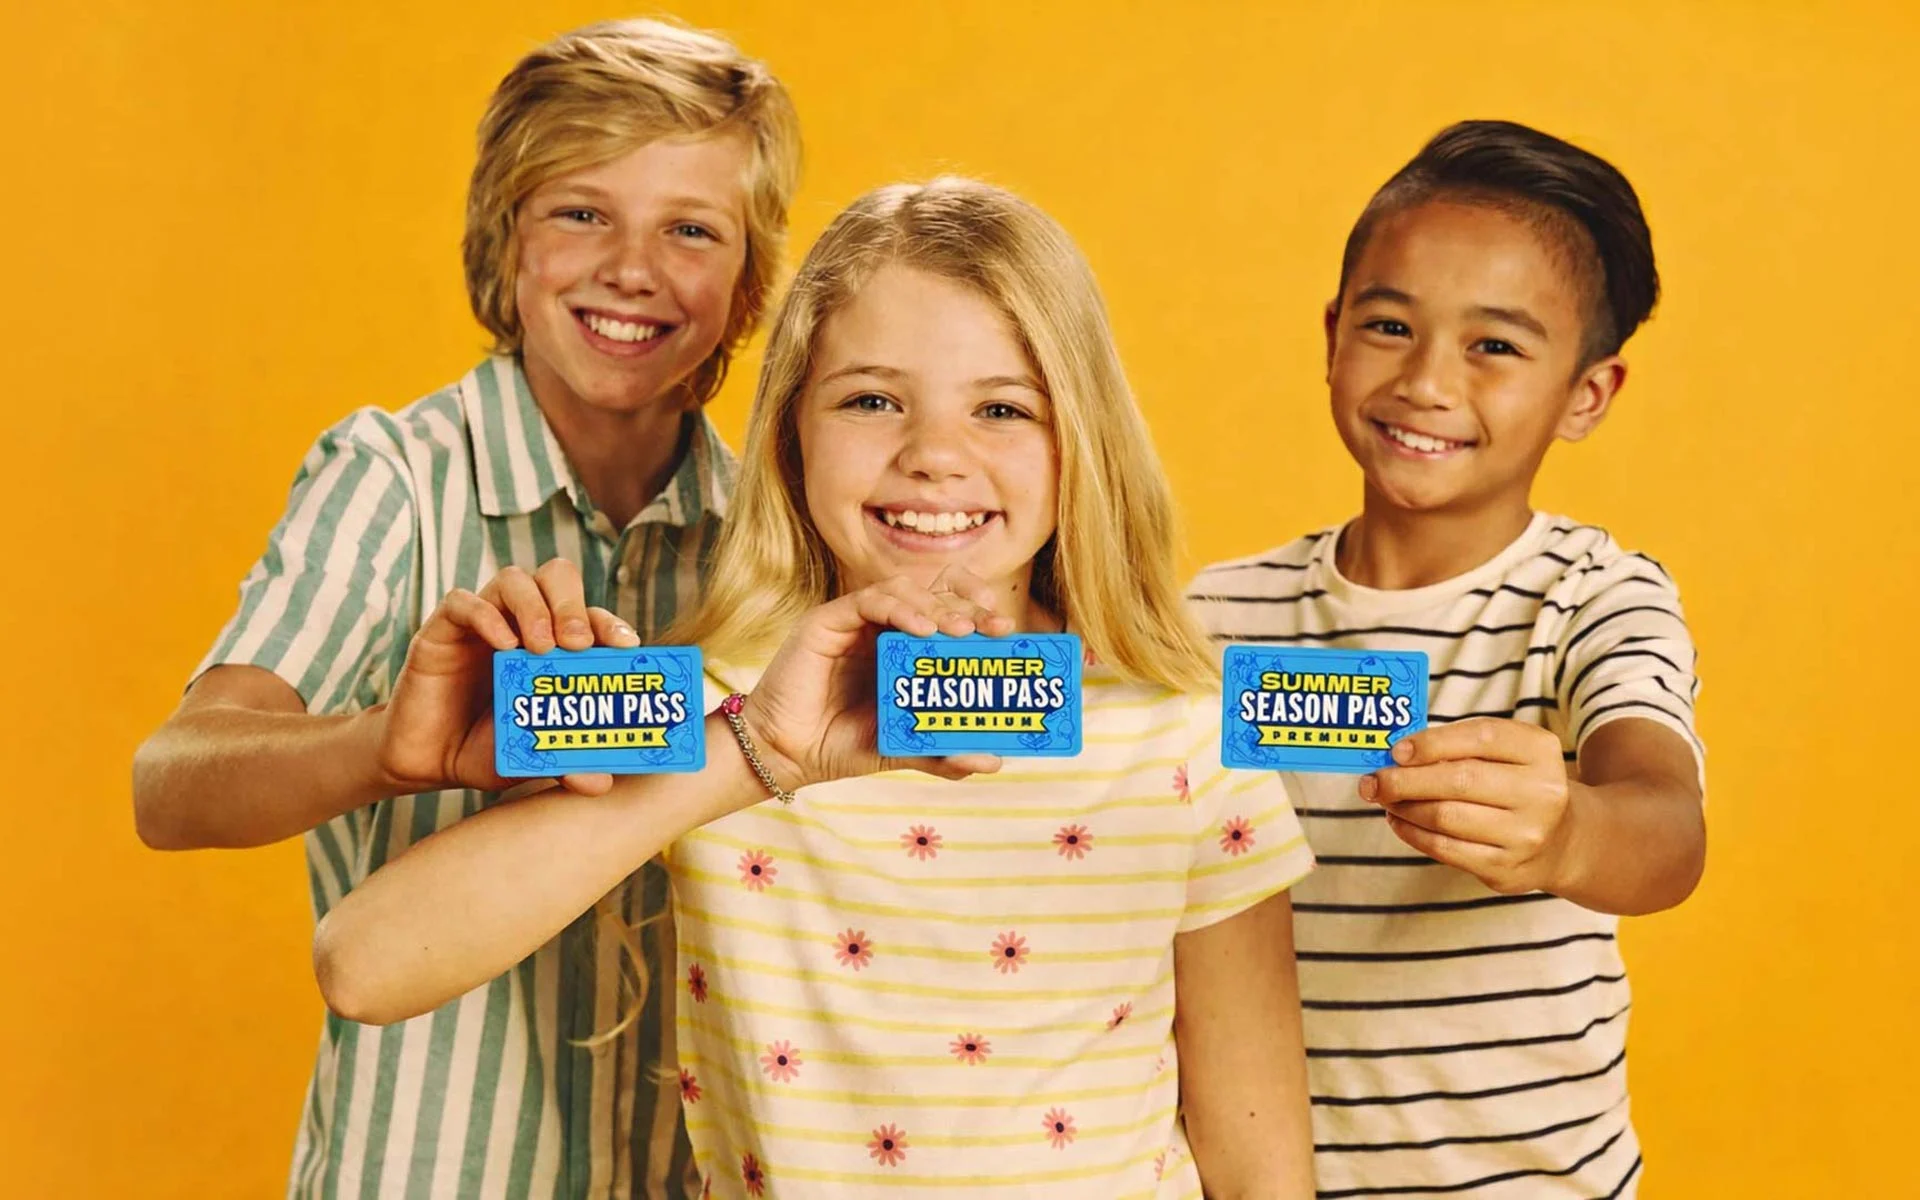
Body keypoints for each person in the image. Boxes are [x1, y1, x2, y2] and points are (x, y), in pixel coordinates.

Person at [314, 177, 1319, 1197]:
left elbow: (1259, 1166)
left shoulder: (1184, 735)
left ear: (1083, 447)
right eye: (872, 400)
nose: (934, 457)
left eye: (1003, 408)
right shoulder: (716, 713)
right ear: (793, 431)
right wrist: (755, 756)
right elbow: (366, 965)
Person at [131, 18, 800, 1197]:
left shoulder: (771, 535)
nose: (632, 268)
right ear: (506, 235)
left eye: (690, 229)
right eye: (581, 211)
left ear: (748, 283)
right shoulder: (392, 479)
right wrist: (382, 750)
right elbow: (171, 783)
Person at [1187, 120, 1707, 1198]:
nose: (1427, 381)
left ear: (1587, 395)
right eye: (1389, 325)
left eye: (1496, 346)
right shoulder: (1210, 616)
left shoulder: (1594, 602)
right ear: (1333, 333)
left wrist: (1573, 830)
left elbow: (1666, 825)